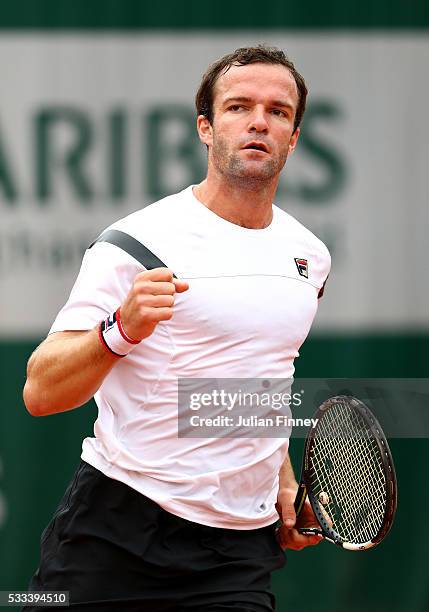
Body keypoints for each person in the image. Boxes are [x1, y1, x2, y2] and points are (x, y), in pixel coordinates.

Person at [23, 45, 331, 611]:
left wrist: (282, 480)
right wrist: (120, 329)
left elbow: (256, 382)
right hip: (116, 534)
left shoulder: (309, 257)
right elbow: (40, 391)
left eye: (278, 111)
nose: (259, 121)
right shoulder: (138, 243)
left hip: (237, 557)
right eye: (239, 107)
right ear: (206, 129)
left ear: (294, 137)